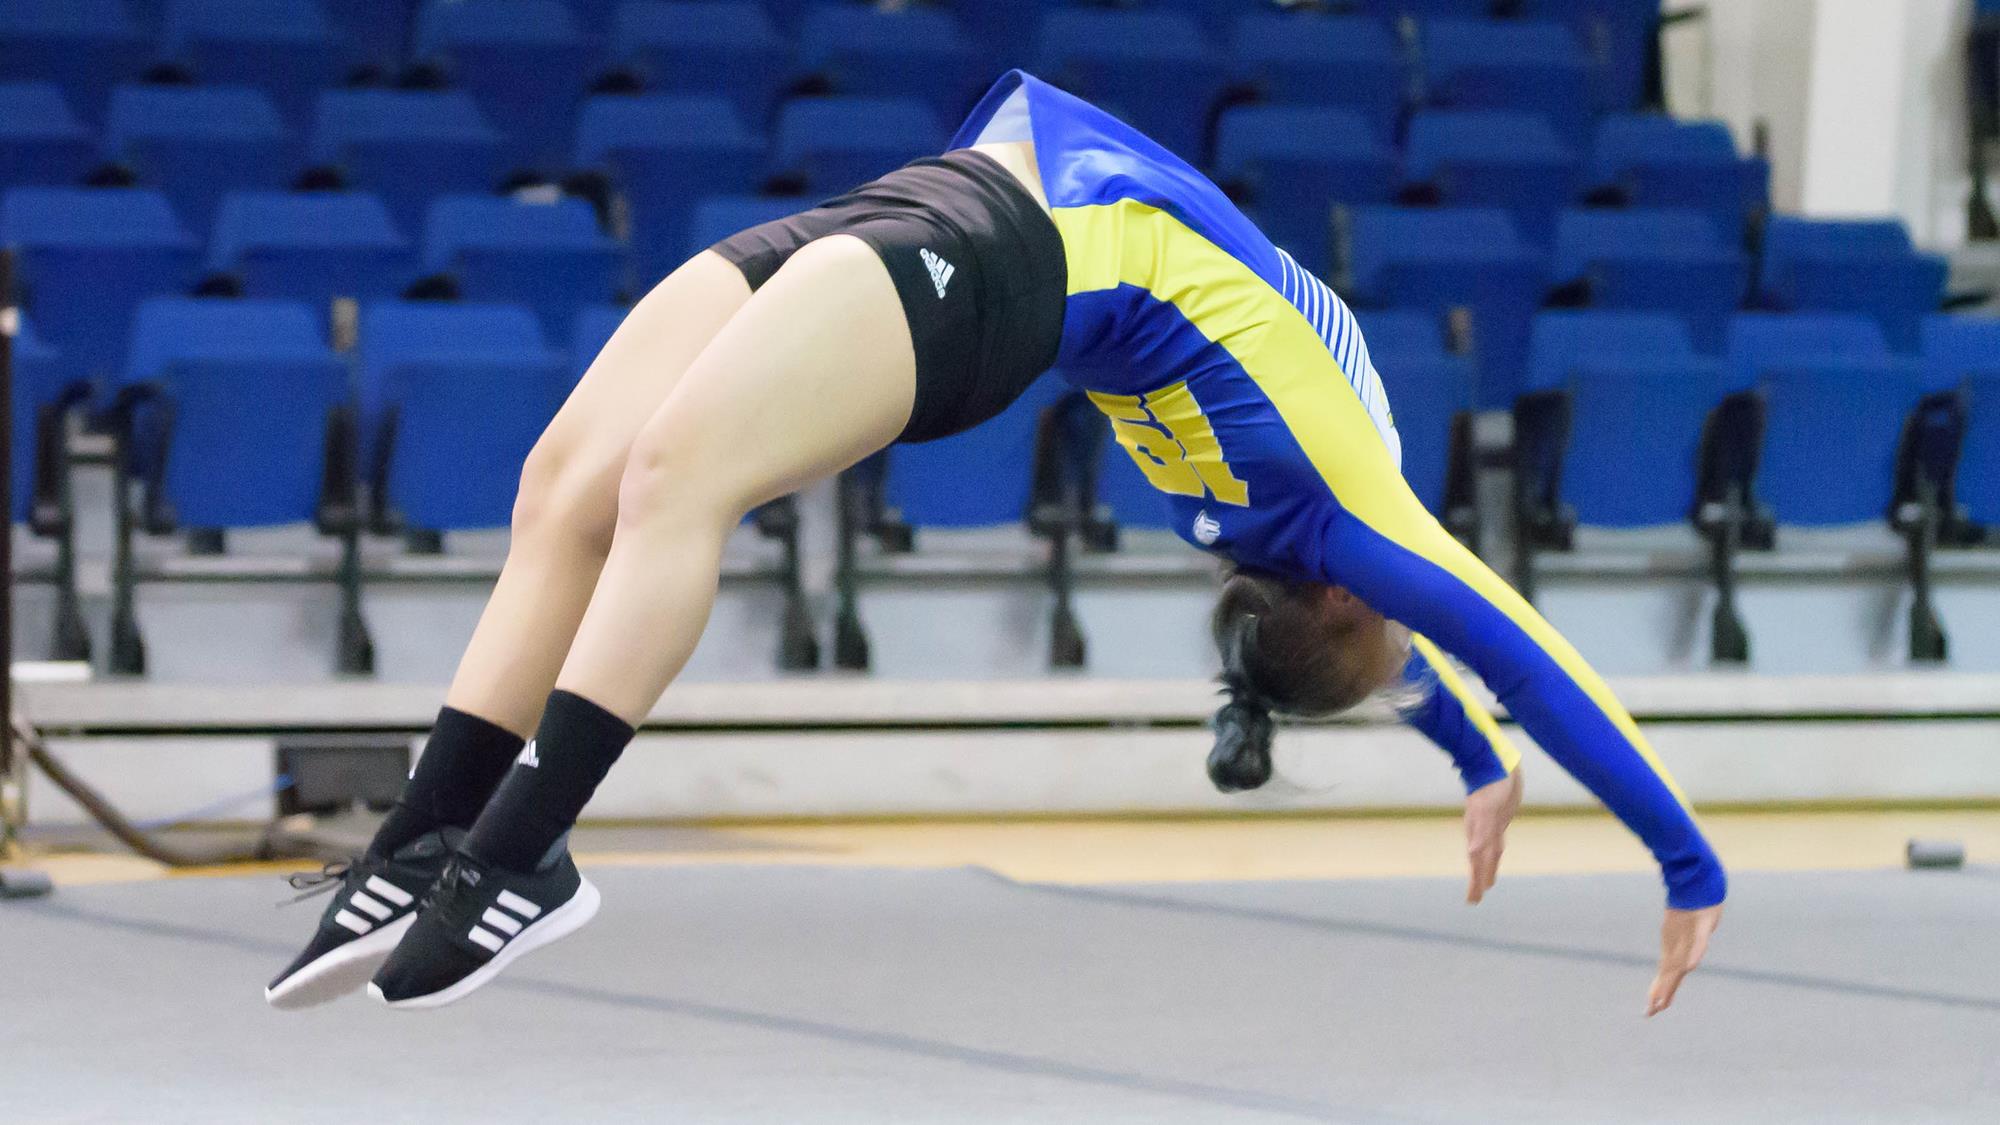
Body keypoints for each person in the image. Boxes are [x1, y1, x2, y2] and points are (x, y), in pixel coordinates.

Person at [266, 70, 1725, 1015]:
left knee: (669, 481)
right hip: (941, 196)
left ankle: (524, 853)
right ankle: (419, 839)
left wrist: (1662, 850)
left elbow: (1490, 657)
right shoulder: (1300, 532)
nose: (1418, 635)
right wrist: (1505, 773)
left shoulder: (1342, 518)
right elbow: (1463, 663)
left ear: (1341, 602)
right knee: (561, 483)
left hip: (996, 261)